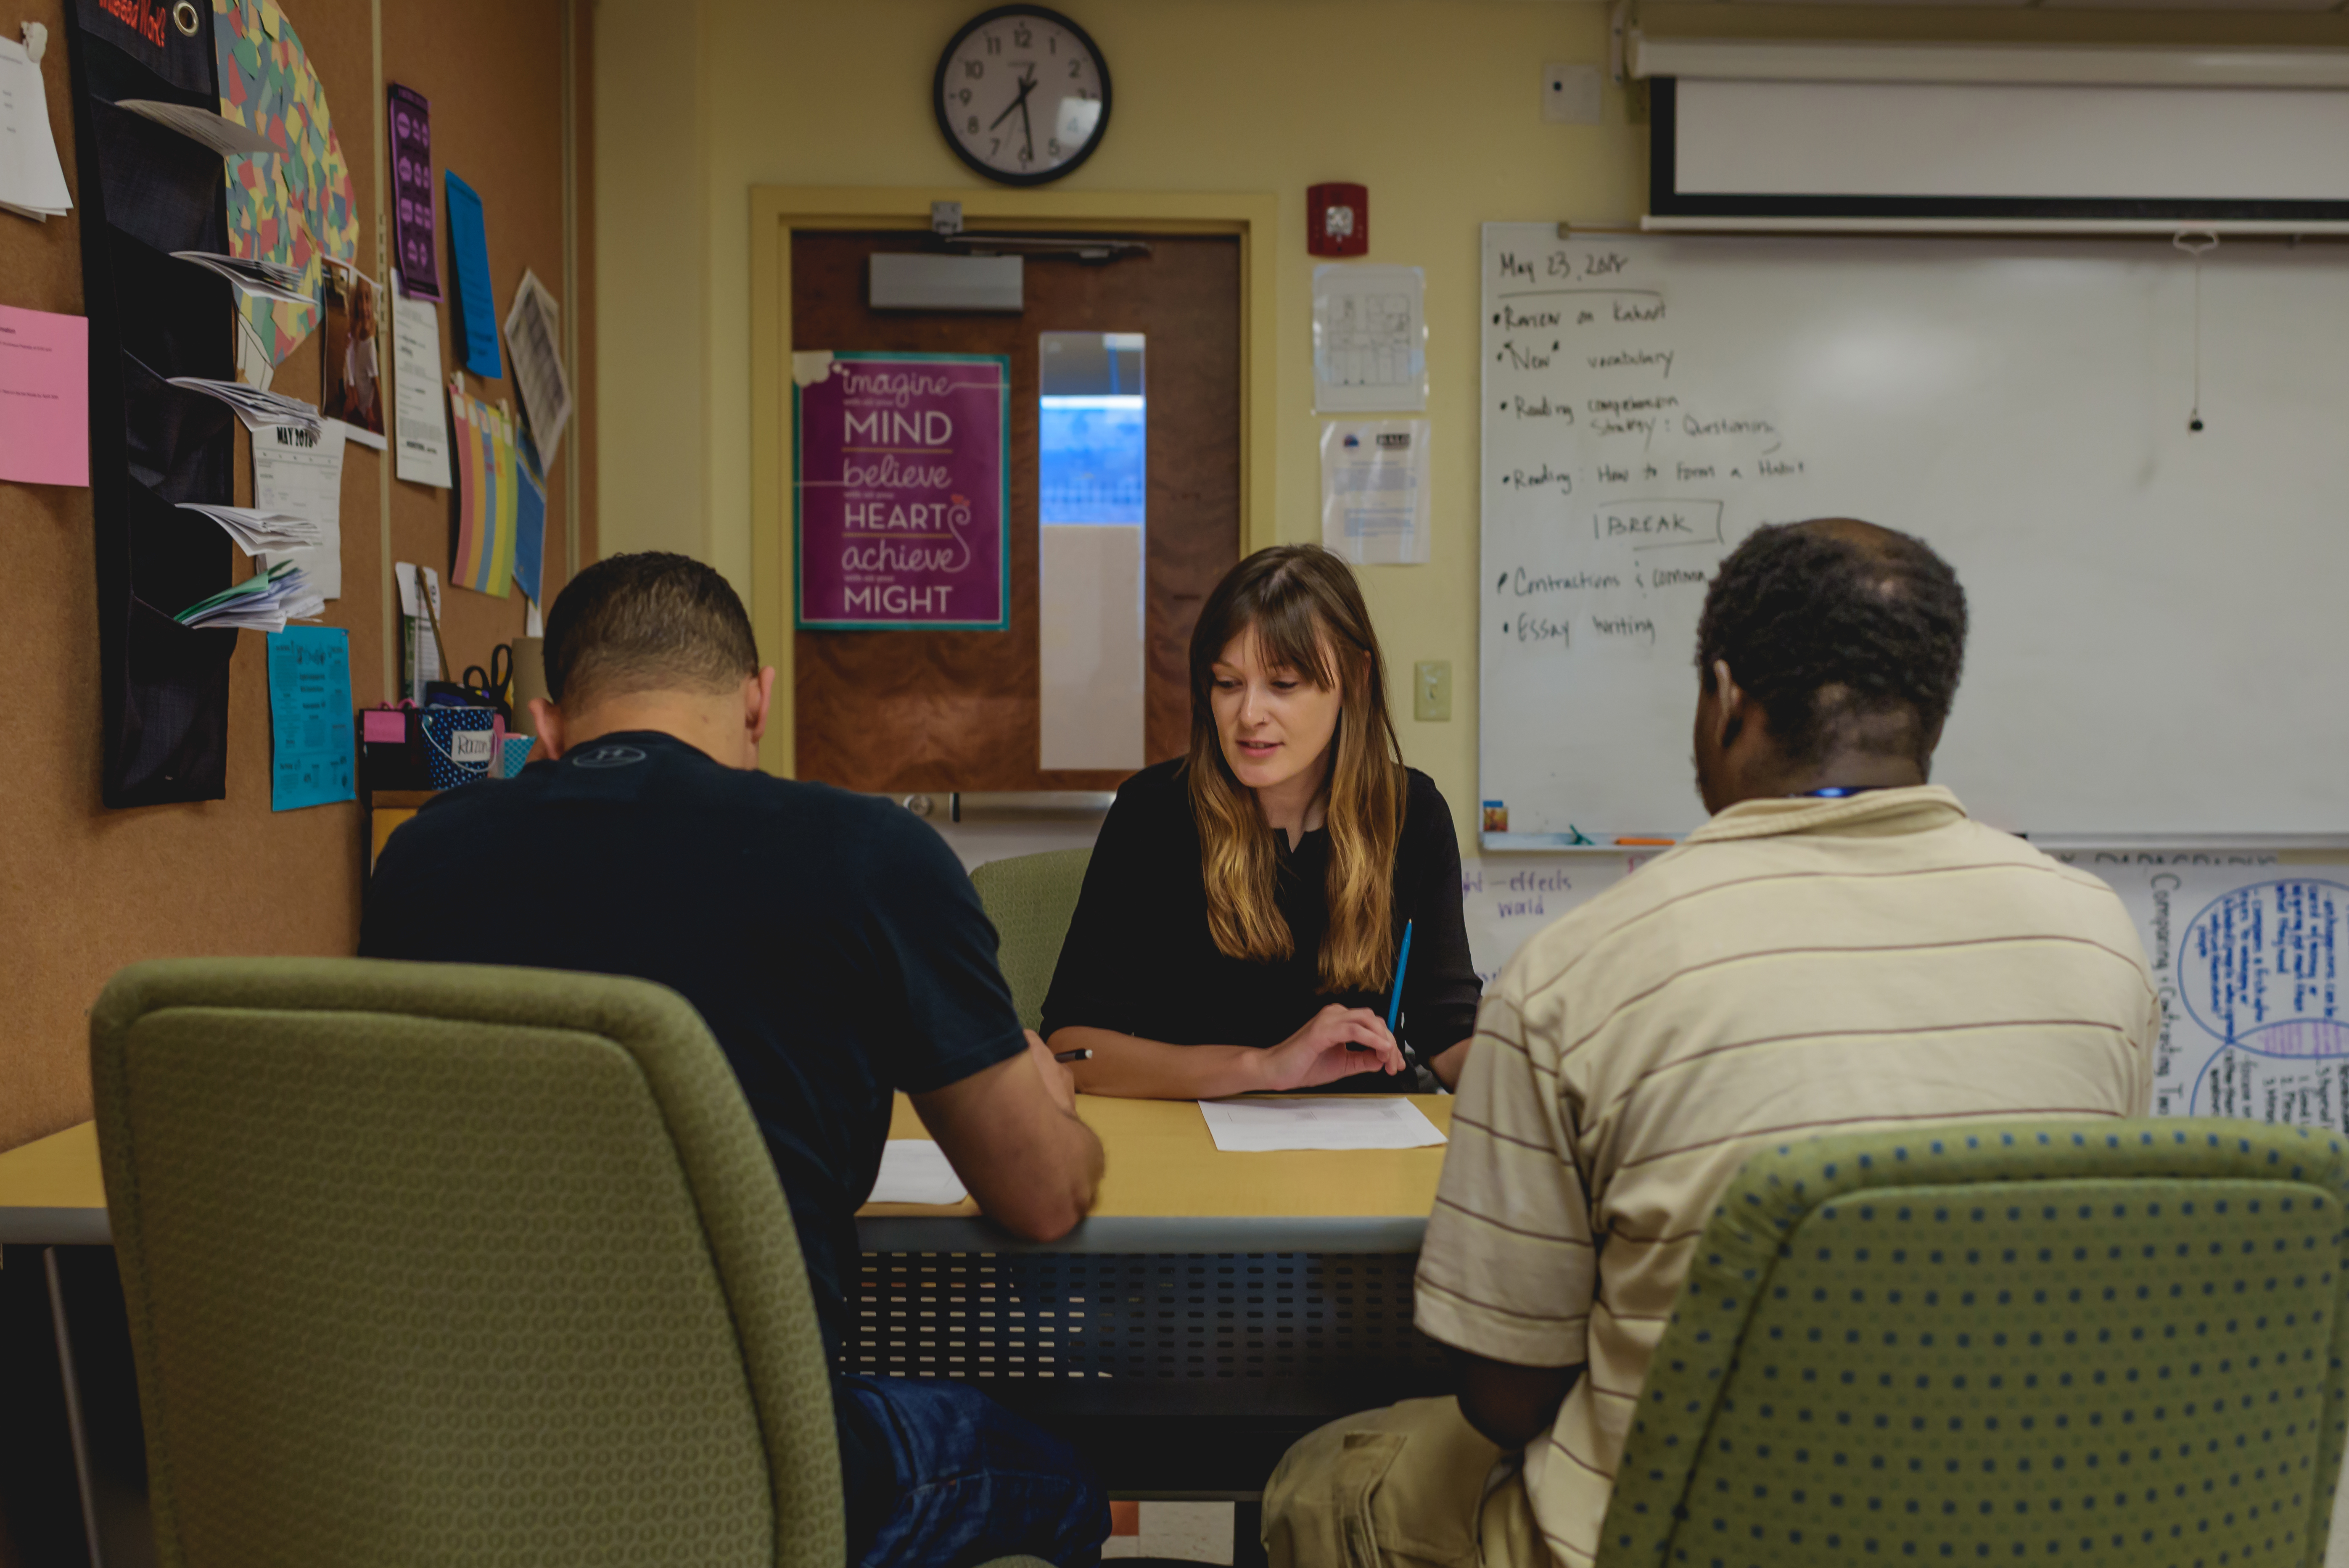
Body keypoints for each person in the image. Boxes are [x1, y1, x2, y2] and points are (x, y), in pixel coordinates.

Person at [1260, 519, 2159, 1568]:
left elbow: (1506, 1396)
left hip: (1674, 1536)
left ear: (1724, 697)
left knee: (1321, 1478)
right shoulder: (2098, 945)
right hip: (2011, 1526)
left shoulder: (1577, 975)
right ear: (1930, 708)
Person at [361, 552, 1109, 1568]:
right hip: (755, 1475)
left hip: (466, 1472)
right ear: (758, 702)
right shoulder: (868, 852)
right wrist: (1048, 1096)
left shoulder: (422, 861)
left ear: (545, 726)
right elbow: (1041, 1196)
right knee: (1066, 1475)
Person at [1041, 544, 1482, 1096]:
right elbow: (1071, 1048)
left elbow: (1450, 1035)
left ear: (1355, 677)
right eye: (1228, 684)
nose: (1248, 715)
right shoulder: (1153, 814)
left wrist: (1543, 1068)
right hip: (1189, 1145)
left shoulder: (1411, 814)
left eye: (1283, 684)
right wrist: (1265, 1067)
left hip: (1364, 1153)